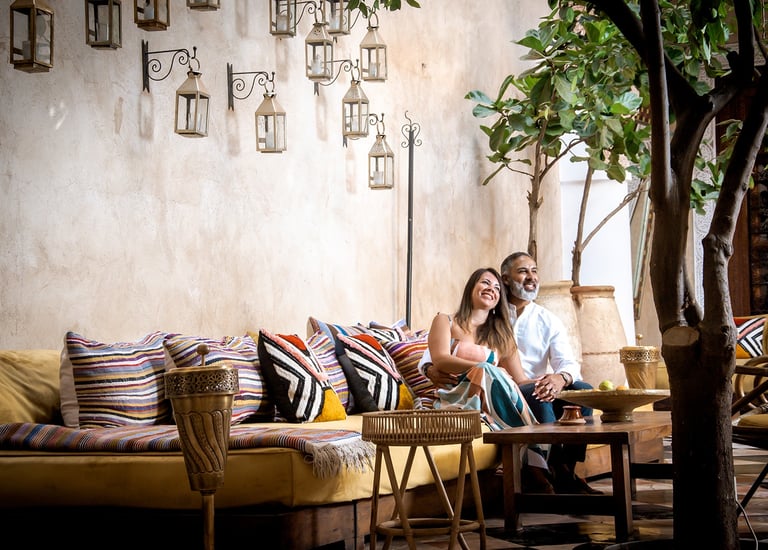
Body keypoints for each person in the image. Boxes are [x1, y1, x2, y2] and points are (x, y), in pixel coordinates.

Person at [421, 267, 555, 493]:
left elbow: (519, 380)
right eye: (485, 283)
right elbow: (441, 360)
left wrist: (549, 381)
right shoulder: (445, 321)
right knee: (488, 370)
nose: (491, 290)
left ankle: (548, 467)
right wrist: (483, 368)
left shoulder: (501, 335)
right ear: (471, 287)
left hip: (492, 396)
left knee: (562, 390)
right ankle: (535, 459)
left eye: (496, 288)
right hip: (457, 395)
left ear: (499, 299)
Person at [499, 251, 600, 494]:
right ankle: (552, 469)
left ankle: (569, 469)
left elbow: (568, 362)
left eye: (534, 271)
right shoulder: (493, 315)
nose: (531, 277)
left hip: (540, 385)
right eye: (523, 271)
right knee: (539, 389)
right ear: (505, 279)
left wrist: (560, 377)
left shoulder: (547, 319)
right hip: (509, 388)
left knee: (582, 391)